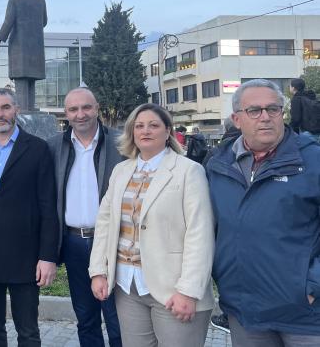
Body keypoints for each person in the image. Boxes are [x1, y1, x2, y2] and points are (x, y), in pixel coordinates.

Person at [89, 103, 215, 347]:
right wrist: (98, 272)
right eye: (139, 126)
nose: (145, 131)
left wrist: (189, 290)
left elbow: (200, 233)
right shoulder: (121, 171)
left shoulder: (189, 171)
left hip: (173, 288)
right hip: (127, 286)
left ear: (168, 131)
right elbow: (105, 223)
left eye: (153, 125)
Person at [205, 78, 320, 345]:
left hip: (305, 315)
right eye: (254, 111)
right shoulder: (219, 164)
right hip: (244, 311)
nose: (265, 117)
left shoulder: (313, 160)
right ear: (237, 119)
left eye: (273, 109)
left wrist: (313, 285)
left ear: (282, 113)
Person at [0, 87, 59, 346]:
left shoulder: (38, 149)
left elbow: (48, 206)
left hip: (25, 257)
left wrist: (47, 256)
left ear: (16, 110)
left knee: (28, 330)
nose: (0, 114)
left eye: (5, 107)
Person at [47, 88, 122, 347]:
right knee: (86, 317)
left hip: (113, 242)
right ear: (66, 113)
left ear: (97, 108)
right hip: (74, 243)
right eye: (73, 109)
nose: (80, 114)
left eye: (86, 107)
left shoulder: (121, 143)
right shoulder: (54, 146)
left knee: (117, 319)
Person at [0, 0, 48, 111]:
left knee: (21, 80)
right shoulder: (40, 0)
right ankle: (30, 108)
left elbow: (8, 22)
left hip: (19, 46)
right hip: (36, 46)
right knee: (31, 80)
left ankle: (23, 110)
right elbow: (44, 21)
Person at [290, 77, 320, 141]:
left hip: (307, 133)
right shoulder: (311, 96)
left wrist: (290, 130)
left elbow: (296, 119)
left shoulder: (296, 99)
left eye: (290, 86)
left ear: (293, 88)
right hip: (317, 130)